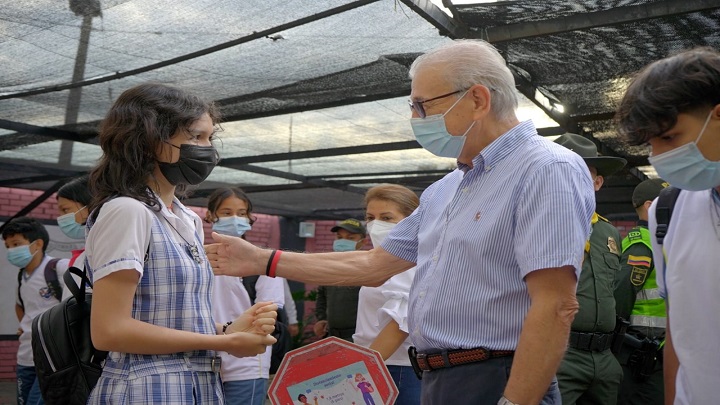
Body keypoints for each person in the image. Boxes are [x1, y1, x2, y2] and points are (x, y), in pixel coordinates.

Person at [208, 39, 595, 405]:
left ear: (477, 99)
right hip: (440, 376)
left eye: (422, 105)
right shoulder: (449, 187)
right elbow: (375, 264)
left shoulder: (546, 169)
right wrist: (265, 260)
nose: (415, 119)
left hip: (498, 375)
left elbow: (556, 304)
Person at [84, 82, 277, 404]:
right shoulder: (127, 211)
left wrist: (228, 330)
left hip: (195, 387)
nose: (208, 149)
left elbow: (166, 320)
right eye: (195, 137)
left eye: (209, 138)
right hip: (146, 391)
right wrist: (226, 344)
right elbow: (109, 331)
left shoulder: (184, 217)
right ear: (148, 140)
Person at [615, 46, 720, 405]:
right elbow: (679, 330)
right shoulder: (668, 211)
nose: (658, 157)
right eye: (651, 144)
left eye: (670, 137)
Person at [553, 133, 626, 405]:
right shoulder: (542, 225)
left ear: (597, 182)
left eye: (584, 174)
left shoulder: (608, 232)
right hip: (562, 353)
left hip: (605, 357)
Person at [205, 187, 285, 405]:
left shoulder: (262, 262)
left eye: (241, 214)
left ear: (249, 219)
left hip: (246, 365)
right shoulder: (200, 258)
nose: (234, 219)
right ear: (210, 215)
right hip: (202, 360)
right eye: (226, 212)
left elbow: (267, 314)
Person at [352, 184, 421, 404]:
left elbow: (400, 323)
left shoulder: (407, 262)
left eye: (387, 218)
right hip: (380, 364)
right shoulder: (386, 261)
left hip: (394, 368)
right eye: (370, 217)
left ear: (411, 221)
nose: (376, 225)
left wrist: (362, 368)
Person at [2, 216, 69, 405]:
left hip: (52, 357)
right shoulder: (21, 278)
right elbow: (20, 305)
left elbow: (79, 303)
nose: (11, 251)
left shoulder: (59, 268)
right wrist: (25, 325)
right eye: (7, 246)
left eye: (16, 244)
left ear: (37, 243)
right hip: (26, 356)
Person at [614, 178, 669, 405]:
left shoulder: (660, 241)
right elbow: (623, 293)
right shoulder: (643, 243)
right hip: (638, 351)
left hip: (657, 349)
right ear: (649, 206)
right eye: (666, 204)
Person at [313, 218, 366, 342]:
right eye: (339, 237)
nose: (343, 241)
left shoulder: (367, 268)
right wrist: (321, 318)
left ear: (363, 242)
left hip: (358, 336)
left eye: (350, 238)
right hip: (332, 335)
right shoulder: (329, 267)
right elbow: (321, 295)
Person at [55, 174, 92, 296]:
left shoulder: (105, 253)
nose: (60, 217)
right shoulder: (81, 257)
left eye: (65, 210)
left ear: (89, 206)